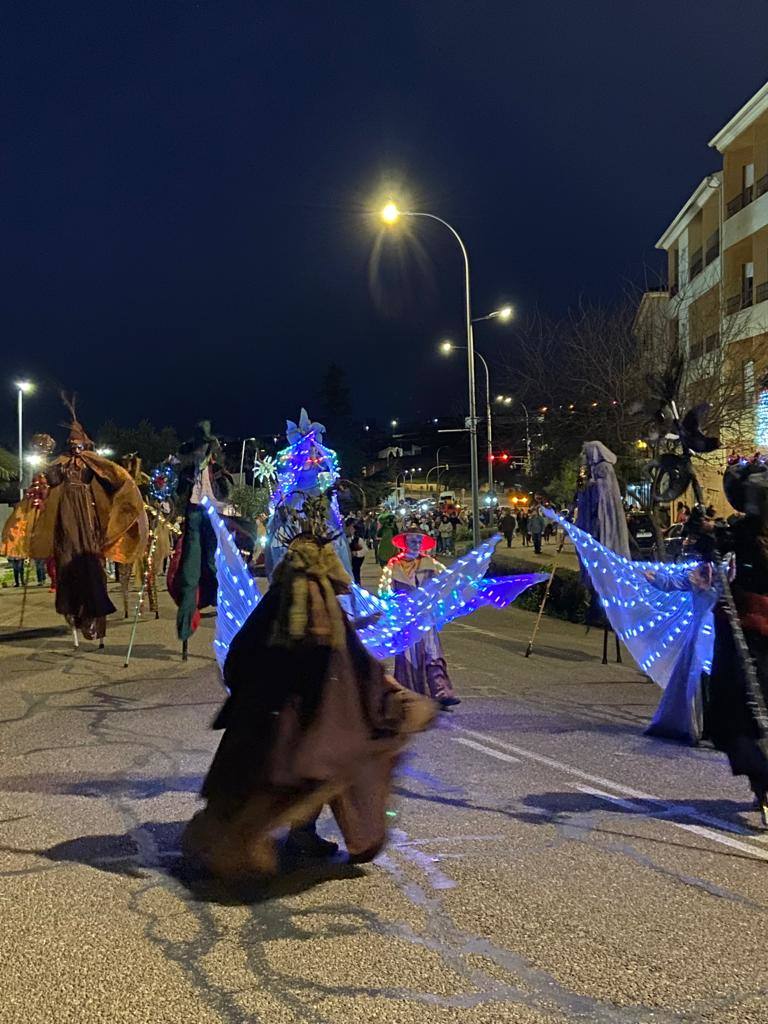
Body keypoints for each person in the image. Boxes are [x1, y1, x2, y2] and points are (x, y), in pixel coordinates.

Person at [182, 533, 437, 877]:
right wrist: (389, 693)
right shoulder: (322, 604)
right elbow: (358, 664)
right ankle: (279, 837)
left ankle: (285, 835)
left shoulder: (277, 602)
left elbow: (242, 655)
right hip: (308, 720)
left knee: (294, 773)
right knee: (322, 766)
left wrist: (245, 693)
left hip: (280, 717)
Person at [28, 399, 147, 642]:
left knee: (91, 565)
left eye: (78, 443)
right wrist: (42, 463)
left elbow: (113, 478)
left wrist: (127, 483)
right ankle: (74, 611)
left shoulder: (93, 463)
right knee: (68, 560)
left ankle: (95, 617)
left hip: (88, 516)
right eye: (72, 443)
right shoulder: (61, 464)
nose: (75, 447)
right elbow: (48, 480)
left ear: (85, 443)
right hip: (66, 517)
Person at [707, 457, 768, 822]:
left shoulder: (745, 537)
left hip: (753, 635)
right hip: (743, 637)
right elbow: (716, 557)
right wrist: (707, 537)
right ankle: (762, 781)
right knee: (739, 712)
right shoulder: (739, 535)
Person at [384, 531, 460, 709]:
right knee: (408, 656)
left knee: (432, 653)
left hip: (426, 615)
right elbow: (387, 590)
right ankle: (409, 695)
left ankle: (441, 692)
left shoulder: (430, 563)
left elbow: (445, 583)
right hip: (405, 617)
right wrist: (395, 604)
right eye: (412, 540)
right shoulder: (394, 565)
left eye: (419, 540)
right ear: (404, 542)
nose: (416, 543)